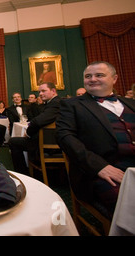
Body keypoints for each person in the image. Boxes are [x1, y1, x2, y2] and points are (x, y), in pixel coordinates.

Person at [56, 61, 135, 216]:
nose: (92, 79)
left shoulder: (131, 104)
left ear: (114, 78)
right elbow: (65, 136)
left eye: (99, 75)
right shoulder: (72, 105)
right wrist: (99, 167)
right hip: (100, 171)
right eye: (88, 76)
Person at [8, 82, 60, 175]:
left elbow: (38, 121)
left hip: (49, 143)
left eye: (43, 91)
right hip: (51, 139)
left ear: (53, 91)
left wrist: (28, 133)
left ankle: (23, 173)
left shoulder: (55, 103)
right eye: (39, 91)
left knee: (13, 142)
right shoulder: (52, 103)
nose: (40, 94)